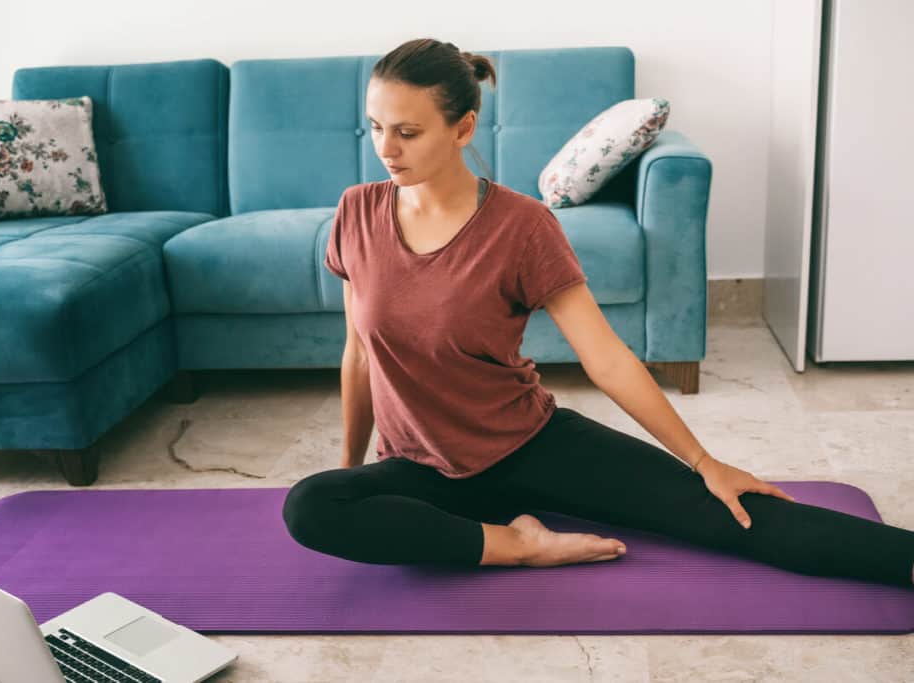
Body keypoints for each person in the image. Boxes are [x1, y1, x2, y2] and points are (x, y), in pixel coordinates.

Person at [281, 38, 914, 589]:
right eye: (376, 127)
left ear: (464, 128)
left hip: (527, 445)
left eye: (408, 131)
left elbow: (606, 357)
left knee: (733, 514)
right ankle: (517, 546)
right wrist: (354, 472)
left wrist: (703, 460)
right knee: (311, 507)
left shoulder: (521, 225)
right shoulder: (357, 212)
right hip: (420, 467)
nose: (386, 149)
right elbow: (359, 354)